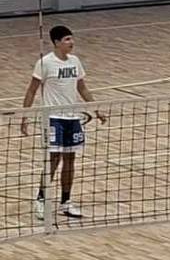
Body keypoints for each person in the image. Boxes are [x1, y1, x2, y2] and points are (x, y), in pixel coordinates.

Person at [19, 24, 107, 220]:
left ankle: (66, 202)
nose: (71, 42)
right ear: (57, 42)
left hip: (72, 118)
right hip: (53, 118)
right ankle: (41, 199)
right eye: (67, 39)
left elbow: (82, 88)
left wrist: (96, 109)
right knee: (53, 159)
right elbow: (31, 90)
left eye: (71, 38)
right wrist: (25, 116)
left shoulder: (75, 61)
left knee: (70, 159)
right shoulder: (45, 63)